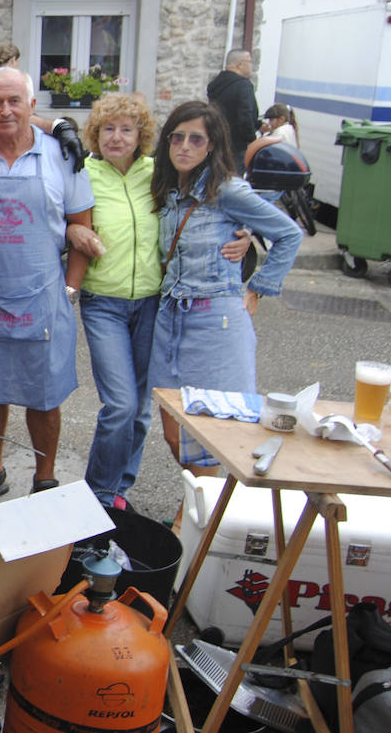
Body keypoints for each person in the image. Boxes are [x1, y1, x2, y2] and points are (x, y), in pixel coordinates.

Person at [63, 95, 249, 509]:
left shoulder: (159, 173)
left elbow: (215, 202)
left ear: (142, 136)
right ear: (95, 133)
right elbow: (56, 216)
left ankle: (119, 490)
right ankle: (99, 493)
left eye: (127, 129)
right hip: (103, 303)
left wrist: (244, 235)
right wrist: (72, 234)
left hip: (155, 303)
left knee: (142, 407)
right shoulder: (81, 172)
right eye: (108, 128)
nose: (116, 137)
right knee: (121, 404)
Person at [0, 68, 94, 507]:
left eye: (14, 101)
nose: (5, 110)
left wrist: (69, 292)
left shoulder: (62, 156)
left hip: (43, 293)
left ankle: (45, 476)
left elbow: (82, 227)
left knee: (43, 391)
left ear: (32, 106)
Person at [146, 101, 301, 475]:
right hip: (169, 320)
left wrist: (256, 289)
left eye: (196, 139)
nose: (185, 146)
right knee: (174, 434)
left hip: (216, 321)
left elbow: (288, 234)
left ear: (212, 145)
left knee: (213, 435)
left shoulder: (227, 191)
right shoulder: (166, 189)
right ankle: (199, 508)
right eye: (177, 137)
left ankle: (197, 519)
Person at [206, 48, 258, 172]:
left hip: (216, 142)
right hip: (236, 146)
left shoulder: (216, 84)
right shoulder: (243, 85)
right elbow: (245, 116)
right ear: (239, 64)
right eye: (250, 62)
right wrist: (252, 139)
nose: (252, 66)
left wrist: (259, 124)